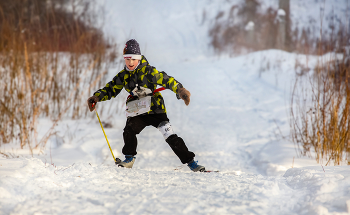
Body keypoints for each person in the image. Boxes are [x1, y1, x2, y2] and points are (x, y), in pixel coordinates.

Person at [87, 39, 205, 172]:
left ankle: (192, 163)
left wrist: (180, 90)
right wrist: (97, 97)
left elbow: (166, 80)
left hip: (156, 110)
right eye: (127, 59)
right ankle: (129, 159)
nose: (130, 63)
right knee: (129, 130)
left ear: (139, 58)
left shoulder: (149, 71)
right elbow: (111, 89)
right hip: (137, 111)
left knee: (170, 136)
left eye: (133, 59)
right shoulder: (123, 76)